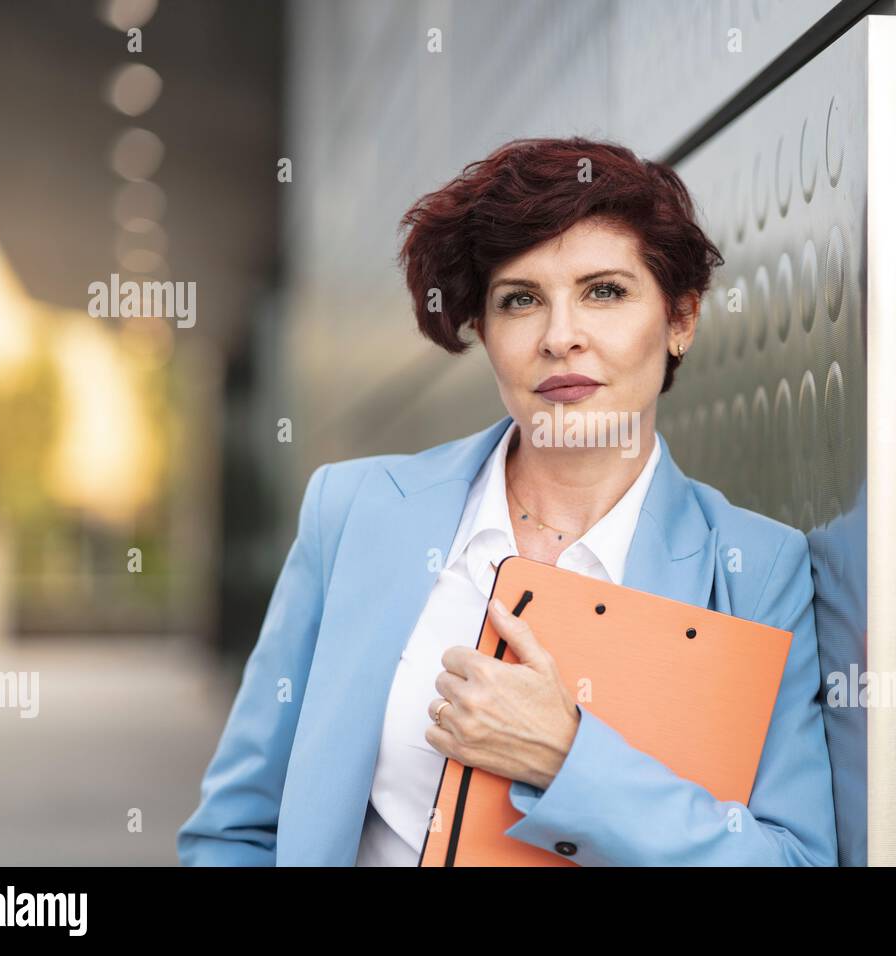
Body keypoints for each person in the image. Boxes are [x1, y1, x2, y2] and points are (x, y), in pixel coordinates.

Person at [177, 136, 837, 866]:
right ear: (483, 331)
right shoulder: (356, 510)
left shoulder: (757, 570)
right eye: (520, 300)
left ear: (680, 319)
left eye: (604, 292)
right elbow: (235, 831)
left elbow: (794, 858)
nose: (561, 338)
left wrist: (568, 760)